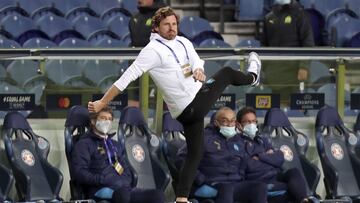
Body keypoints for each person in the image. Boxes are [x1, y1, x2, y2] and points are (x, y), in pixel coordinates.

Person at [88, 6, 262, 203]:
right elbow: (125, 79)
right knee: (227, 73)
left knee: (195, 153)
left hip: (192, 105)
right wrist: (103, 101)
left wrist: (198, 70)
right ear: (156, 27)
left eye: (174, 24)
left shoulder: (183, 41)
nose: (171, 28)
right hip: (191, 106)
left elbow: (197, 61)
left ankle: (181, 198)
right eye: (166, 25)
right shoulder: (152, 51)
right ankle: (253, 77)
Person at [72, 106, 165, 203]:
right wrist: (102, 179)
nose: (107, 122)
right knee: (123, 196)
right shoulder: (84, 144)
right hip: (100, 189)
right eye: (103, 118)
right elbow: (79, 172)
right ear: (93, 121)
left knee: (158, 196)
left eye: (109, 119)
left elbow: (126, 171)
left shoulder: (115, 145)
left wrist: (123, 182)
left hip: (123, 188)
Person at [177, 107, 268, 203]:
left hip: (235, 183)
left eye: (232, 121)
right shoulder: (203, 138)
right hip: (209, 183)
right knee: (227, 188)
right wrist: (200, 179)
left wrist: (241, 175)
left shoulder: (238, 140)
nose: (229, 124)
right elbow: (181, 159)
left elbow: (245, 161)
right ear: (216, 123)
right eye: (225, 121)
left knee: (259, 187)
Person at [236, 106, 311, 203]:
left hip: (274, 176)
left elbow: (279, 157)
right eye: (248, 122)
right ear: (239, 125)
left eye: (254, 121)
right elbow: (249, 165)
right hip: (257, 180)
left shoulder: (261, 139)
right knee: (291, 192)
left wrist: (260, 156)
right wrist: (268, 157)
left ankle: (304, 200)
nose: (252, 125)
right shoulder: (237, 143)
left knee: (294, 172)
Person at [261, 0, 314, 104]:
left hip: (295, 74)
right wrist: (265, 67)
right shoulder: (269, 17)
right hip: (273, 75)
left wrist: (304, 67)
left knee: (296, 110)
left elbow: (308, 43)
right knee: (276, 110)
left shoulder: (300, 15)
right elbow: (264, 45)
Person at [127, 0, 166, 107]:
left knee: (161, 104)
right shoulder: (135, 18)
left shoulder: (164, 17)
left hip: (158, 65)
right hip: (137, 64)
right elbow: (135, 41)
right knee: (133, 98)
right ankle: (135, 122)